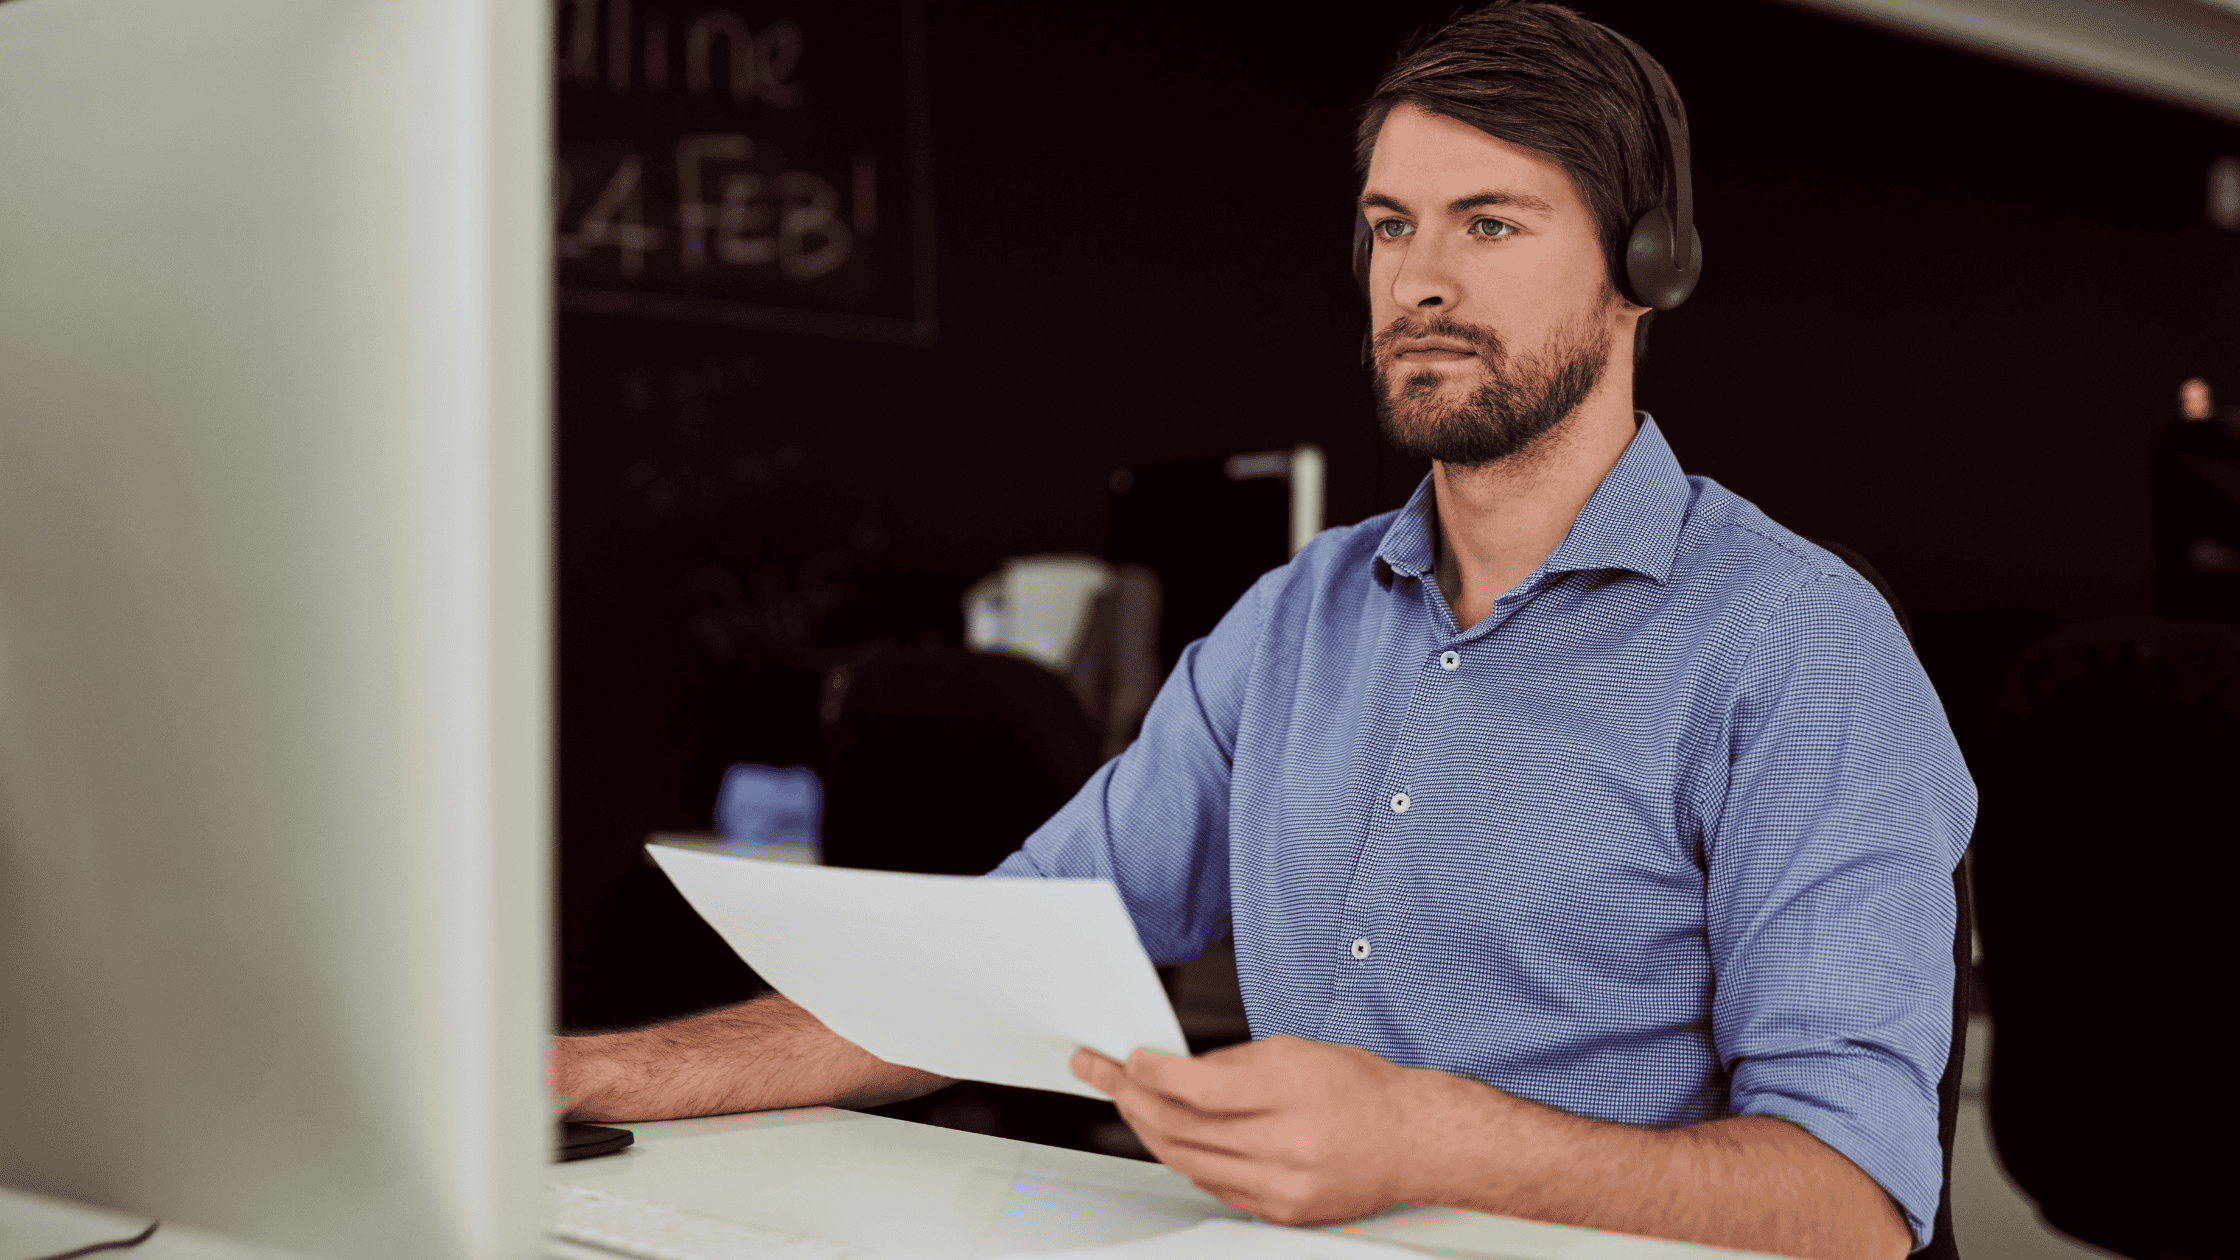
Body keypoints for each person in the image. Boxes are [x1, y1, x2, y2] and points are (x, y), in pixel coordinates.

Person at [554, 7, 1972, 1259]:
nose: (1418, 283)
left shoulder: (1799, 646)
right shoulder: (1297, 617)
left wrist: (1427, 1142)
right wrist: (580, 1077)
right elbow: (976, 971)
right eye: (1391, 224)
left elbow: (1849, 1199)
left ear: (1645, 267)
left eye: (1490, 223)